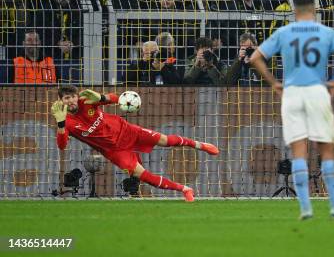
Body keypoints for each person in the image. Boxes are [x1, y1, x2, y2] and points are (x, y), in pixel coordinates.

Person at [250, 0, 334, 220]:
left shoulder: (284, 32)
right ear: (314, 10)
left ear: (294, 11)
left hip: (292, 94)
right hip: (316, 91)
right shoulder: (325, 32)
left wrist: (273, 83)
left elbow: (254, 58)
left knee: (298, 150)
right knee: (326, 150)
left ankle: (305, 208)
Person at [51, 85, 219, 202]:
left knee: (165, 140)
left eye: (73, 96)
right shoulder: (64, 121)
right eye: (67, 98)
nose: (72, 100)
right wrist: (60, 124)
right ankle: (184, 189)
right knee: (143, 175)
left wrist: (102, 97)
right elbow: (62, 145)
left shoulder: (85, 101)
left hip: (127, 131)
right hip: (115, 151)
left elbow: (120, 99)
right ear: (61, 101)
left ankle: (199, 145)